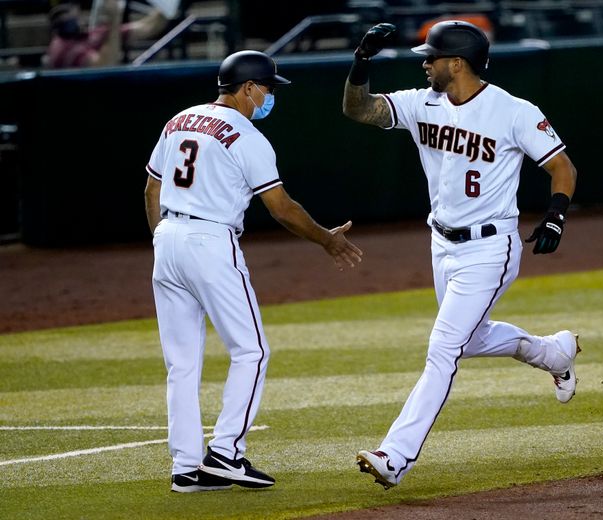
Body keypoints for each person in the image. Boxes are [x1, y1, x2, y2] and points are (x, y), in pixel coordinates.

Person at [342, 21, 580, 489]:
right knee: (469, 340)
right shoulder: (420, 102)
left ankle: (395, 455)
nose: (424, 62)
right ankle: (554, 353)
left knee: (443, 348)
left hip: (492, 247)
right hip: (442, 244)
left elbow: (561, 166)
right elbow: (360, 110)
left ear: (457, 63)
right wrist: (361, 63)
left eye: (431, 56)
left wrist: (556, 215)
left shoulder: (511, 111)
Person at [144, 50, 363, 493]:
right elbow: (282, 208)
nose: (269, 96)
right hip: (210, 243)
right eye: (266, 88)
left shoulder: (179, 119)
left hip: (167, 238)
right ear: (247, 88)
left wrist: (162, 239)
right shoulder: (247, 137)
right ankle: (226, 453)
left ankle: (186, 468)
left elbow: (152, 187)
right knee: (252, 351)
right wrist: (326, 238)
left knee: (181, 364)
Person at [46, 0, 169, 68]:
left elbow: (149, 27)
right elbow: (106, 66)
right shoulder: (63, 47)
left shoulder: (89, 34)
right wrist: (114, 18)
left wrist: (167, 6)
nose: (80, 19)